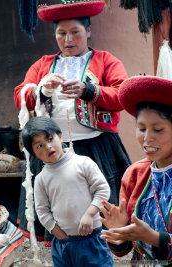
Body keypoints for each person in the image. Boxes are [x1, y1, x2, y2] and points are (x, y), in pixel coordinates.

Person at [14, 0, 131, 243]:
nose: (68, 39)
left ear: (88, 31)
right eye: (61, 33)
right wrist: (42, 91)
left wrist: (88, 90)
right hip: (52, 148)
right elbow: (20, 95)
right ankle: (63, 242)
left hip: (96, 145)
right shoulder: (43, 65)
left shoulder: (105, 61)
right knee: (59, 201)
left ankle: (105, 245)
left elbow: (122, 94)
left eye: (75, 32)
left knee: (99, 196)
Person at [22, 116, 114, 266]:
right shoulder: (41, 179)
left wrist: (89, 214)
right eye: (39, 146)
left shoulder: (83, 163)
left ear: (60, 135)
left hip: (92, 239)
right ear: (34, 154)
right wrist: (60, 236)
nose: (47, 147)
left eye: (50, 139)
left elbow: (102, 189)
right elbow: (42, 211)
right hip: (64, 244)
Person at [100, 76, 172, 264]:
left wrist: (155, 238)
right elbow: (125, 248)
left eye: (158, 129)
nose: (147, 138)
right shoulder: (135, 174)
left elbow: (150, 238)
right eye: (141, 128)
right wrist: (119, 233)